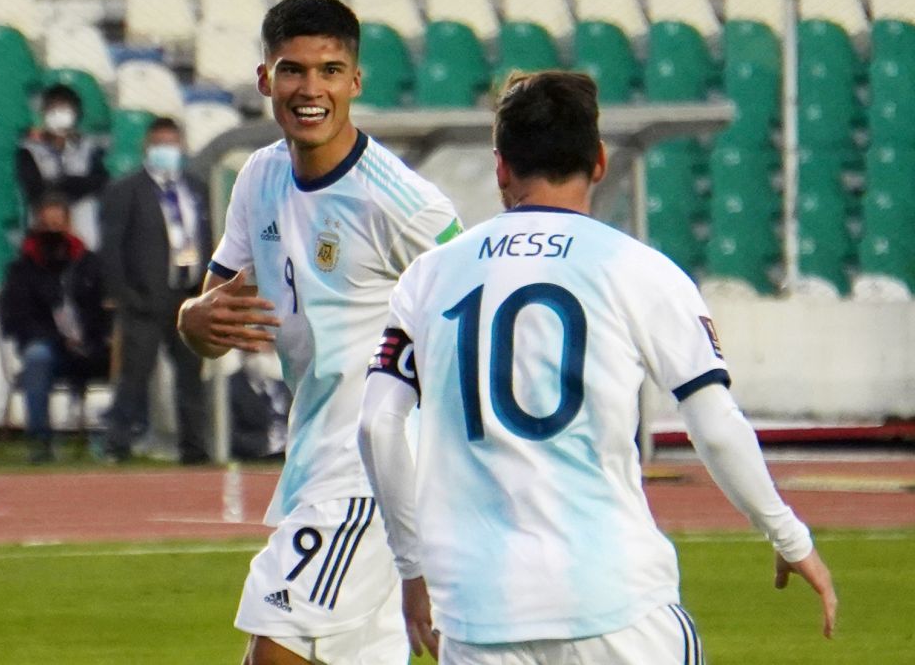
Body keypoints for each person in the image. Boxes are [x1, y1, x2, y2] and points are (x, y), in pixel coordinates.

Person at [357, 71, 838, 664]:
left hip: (478, 615)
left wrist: (411, 568)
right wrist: (787, 535)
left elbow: (378, 424)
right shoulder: (641, 270)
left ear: (501, 167)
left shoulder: (429, 276)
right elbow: (715, 426)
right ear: (601, 161)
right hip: (614, 604)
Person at [177, 0, 462, 665]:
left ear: (355, 81)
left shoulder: (402, 202)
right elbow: (212, 315)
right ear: (264, 78)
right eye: (293, 70)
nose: (311, 89)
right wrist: (193, 319)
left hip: (371, 470)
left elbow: (477, 309)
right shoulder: (260, 177)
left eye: (330, 70)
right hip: (316, 455)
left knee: (274, 650)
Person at [98, 117, 212, 465]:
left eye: (172, 143)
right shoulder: (126, 189)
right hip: (145, 299)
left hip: (188, 296)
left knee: (190, 376)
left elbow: (206, 238)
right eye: (159, 143)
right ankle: (117, 443)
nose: (166, 150)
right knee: (135, 375)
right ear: (146, 147)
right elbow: (112, 247)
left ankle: (194, 448)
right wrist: (125, 294)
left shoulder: (196, 188)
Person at [0, 192, 111, 463]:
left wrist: (95, 337)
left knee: (134, 351)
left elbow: (105, 310)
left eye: (58, 224)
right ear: (37, 225)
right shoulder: (22, 269)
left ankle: (122, 438)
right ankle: (40, 441)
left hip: (90, 348)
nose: (53, 231)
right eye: (47, 225)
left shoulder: (90, 264)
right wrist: (60, 339)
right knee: (37, 357)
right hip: (49, 348)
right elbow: (16, 319)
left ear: (69, 223)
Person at [16, 84, 109, 249]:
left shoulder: (89, 149)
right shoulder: (29, 151)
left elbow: (100, 181)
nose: (59, 114)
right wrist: (74, 185)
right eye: (53, 108)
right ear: (44, 113)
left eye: (65, 108)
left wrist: (60, 183)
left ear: (76, 114)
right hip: (45, 231)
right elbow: (34, 189)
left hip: (84, 233)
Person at [229, 351, 291, 461]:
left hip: (287, 454)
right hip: (252, 458)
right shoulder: (229, 388)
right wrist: (268, 444)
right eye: (254, 351)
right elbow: (228, 435)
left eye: (265, 349)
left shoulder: (282, 387)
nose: (261, 355)